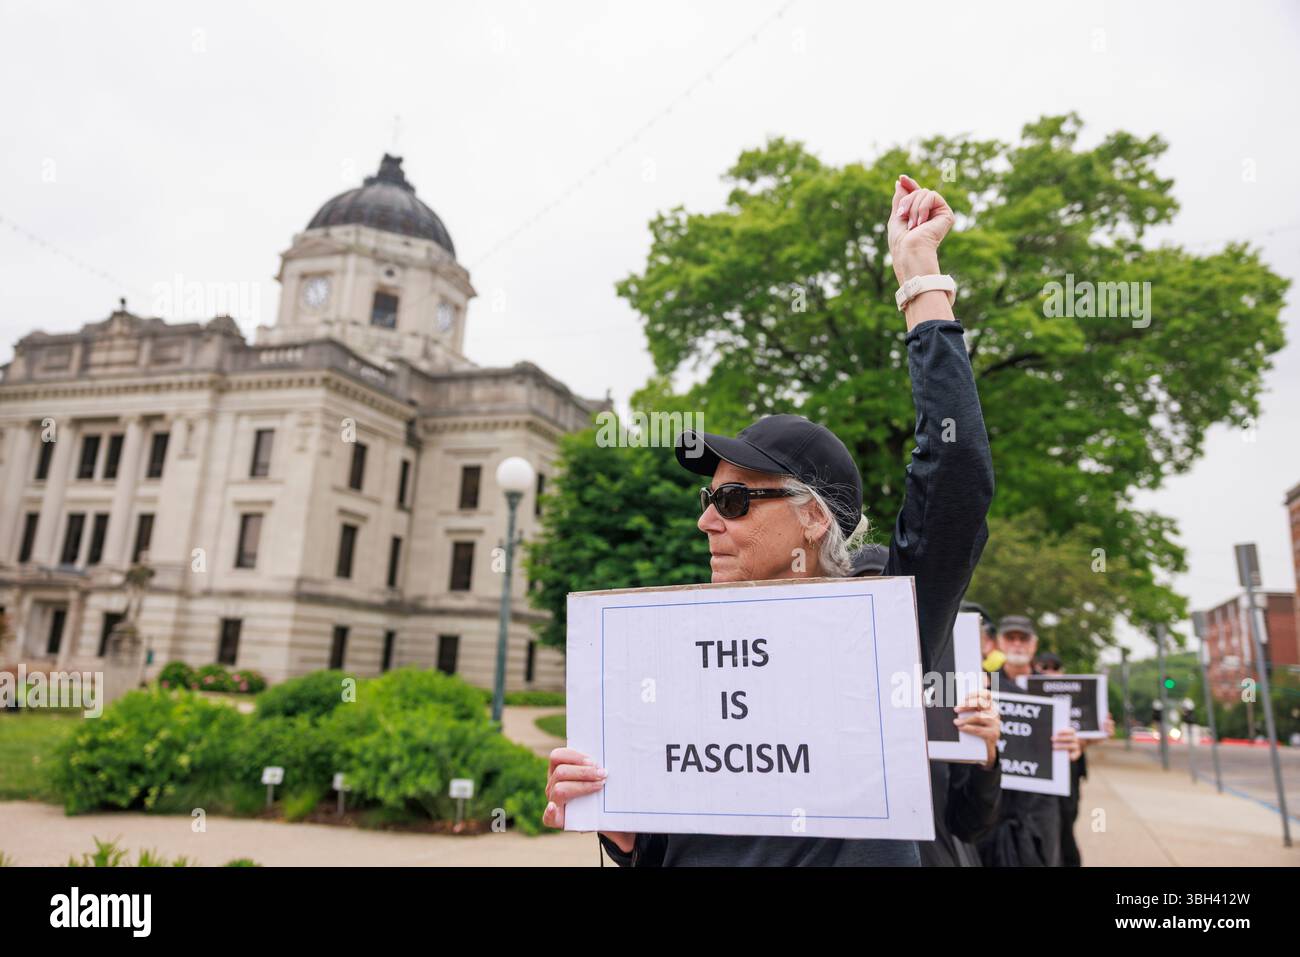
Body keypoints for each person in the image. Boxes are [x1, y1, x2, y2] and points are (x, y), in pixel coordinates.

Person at [543, 174, 996, 865]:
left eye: (732, 501)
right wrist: (625, 831)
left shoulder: (877, 633)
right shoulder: (686, 654)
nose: (707, 524)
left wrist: (920, 283)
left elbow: (957, 484)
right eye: (707, 502)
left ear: (813, 518)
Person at [976, 615, 1080, 867]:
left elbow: (1072, 748)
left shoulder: (1054, 689)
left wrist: (1077, 745)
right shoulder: (984, 685)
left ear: (1034, 645)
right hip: (994, 809)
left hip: (1039, 810)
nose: (1017, 645)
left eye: (1023, 639)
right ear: (999, 644)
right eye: (1010, 638)